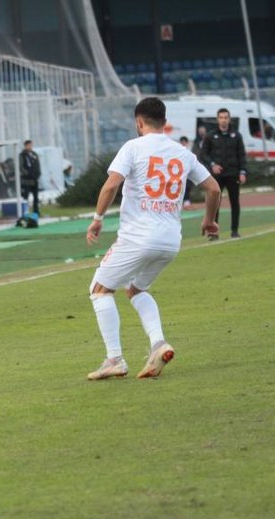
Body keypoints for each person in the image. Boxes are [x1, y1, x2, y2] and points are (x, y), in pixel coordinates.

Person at [85, 97, 220, 381]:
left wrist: (97, 220)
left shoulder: (133, 147)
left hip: (138, 237)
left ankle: (114, 359)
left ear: (139, 122)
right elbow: (214, 189)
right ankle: (158, 344)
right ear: (164, 121)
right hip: (170, 241)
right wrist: (208, 220)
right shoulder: (182, 152)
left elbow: (111, 185)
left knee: (99, 289)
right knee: (135, 290)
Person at [201, 108, 247, 239]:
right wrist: (212, 164)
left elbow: (242, 155)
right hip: (217, 176)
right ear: (217, 119)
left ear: (229, 119)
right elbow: (204, 154)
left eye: (226, 117)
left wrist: (243, 172)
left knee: (235, 203)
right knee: (215, 204)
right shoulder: (210, 136)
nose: (223, 120)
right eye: (221, 117)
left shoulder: (236, 135)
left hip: (233, 174)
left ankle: (235, 231)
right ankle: (213, 233)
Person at [19, 140, 41, 215]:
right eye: (28, 145)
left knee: (36, 196)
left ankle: (36, 211)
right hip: (27, 180)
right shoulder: (22, 155)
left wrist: (38, 173)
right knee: (26, 196)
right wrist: (27, 173)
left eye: (31, 145)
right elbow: (21, 167)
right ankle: (25, 211)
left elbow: (37, 164)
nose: (30, 147)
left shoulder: (34, 154)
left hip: (35, 179)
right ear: (25, 146)